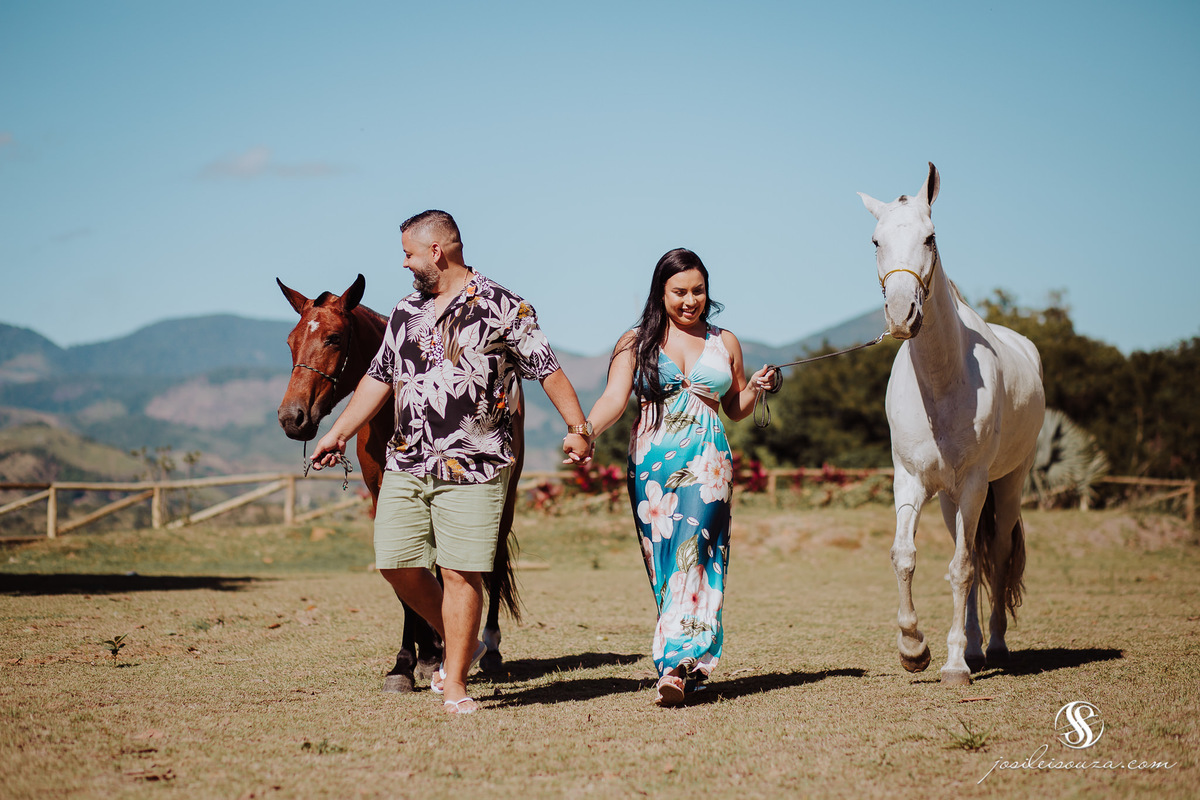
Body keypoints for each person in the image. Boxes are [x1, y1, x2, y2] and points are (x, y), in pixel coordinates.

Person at [310, 210, 591, 714]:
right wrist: (337, 432)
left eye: (408, 253)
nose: (403, 263)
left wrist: (577, 427)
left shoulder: (505, 306)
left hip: (476, 462)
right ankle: (463, 638)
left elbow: (547, 368)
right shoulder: (405, 312)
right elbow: (378, 379)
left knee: (461, 574)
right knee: (395, 561)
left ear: (436, 251)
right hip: (408, 460)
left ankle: (455, 685)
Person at [584, 248, 775, 707]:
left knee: (697, 556)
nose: (690, 300)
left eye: (698, 291)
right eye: (680, 292)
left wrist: (754, 389)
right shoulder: (635, 342)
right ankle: (692, 666)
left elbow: (734, 409)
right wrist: (585, 430)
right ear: (661, 292)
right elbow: (614, 397)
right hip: (651, 467)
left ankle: (672, 666)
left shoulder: (724, 341)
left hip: (709, 462)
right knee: (665, 565)